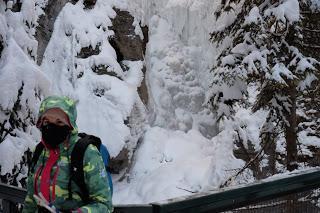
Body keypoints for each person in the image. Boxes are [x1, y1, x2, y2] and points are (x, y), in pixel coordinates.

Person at [23, 96, 113, 213]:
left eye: (59, 121)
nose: (51, 126)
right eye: (46, 121)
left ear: (70, 124)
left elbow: (104, 205)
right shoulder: (40, 151)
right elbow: (31, 198)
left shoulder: (86, 153)